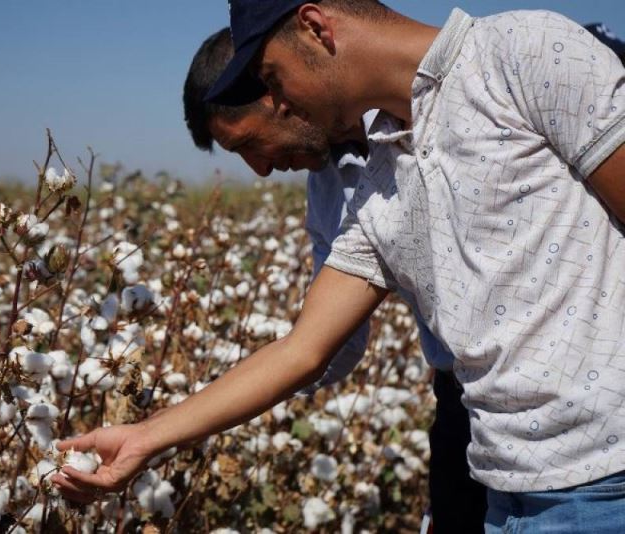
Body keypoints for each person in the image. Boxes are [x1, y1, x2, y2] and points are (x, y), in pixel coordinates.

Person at [200, 1, 625, 531]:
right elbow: (307, 350)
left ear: (315, 27)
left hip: (603, 480)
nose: (280, 102)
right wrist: (148, 436)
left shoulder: (525, 52)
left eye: (273, 78)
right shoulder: (381, 177)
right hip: (500, 476)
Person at [183, 27, 485, 532]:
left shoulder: (444, 108)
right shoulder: (327, 187)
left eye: (250, 144)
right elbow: (325, 344)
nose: (260, 169)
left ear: (280, 90)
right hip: (461, 405)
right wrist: (252, 384)